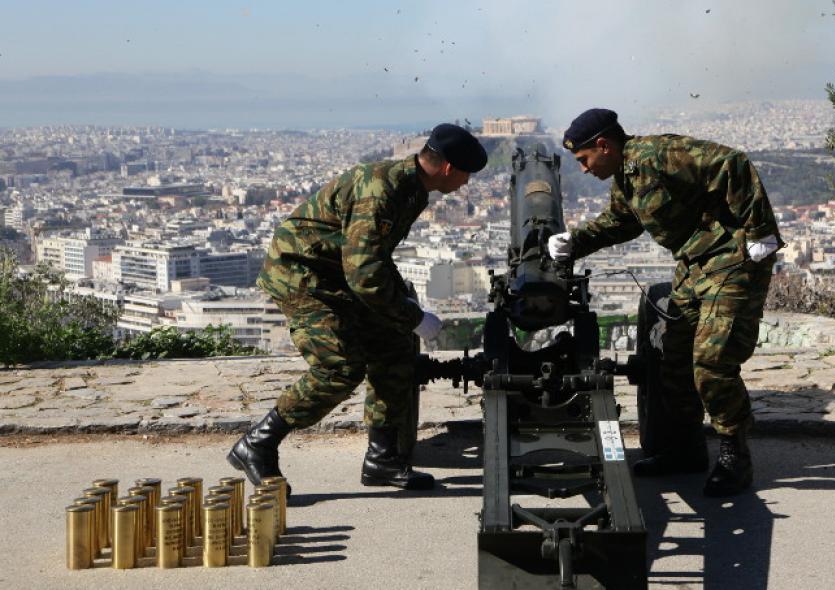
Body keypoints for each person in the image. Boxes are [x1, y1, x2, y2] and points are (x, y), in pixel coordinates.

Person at [228, 123, 487, 492]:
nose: (465, 184)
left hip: (337, 274)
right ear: (449, 168)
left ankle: (382, 459)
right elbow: (365, 274)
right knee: (339, 367)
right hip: (303, 274)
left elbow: (376, 259)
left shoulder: (411, 190)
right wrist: (413, 316)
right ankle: (258, 442)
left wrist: (404, 309)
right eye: (466, 176)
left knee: (394, 345)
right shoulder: (382, 192)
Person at [549, 108, 782, 496]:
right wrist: (575, 243)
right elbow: (621, 222)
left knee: (712, 360)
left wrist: (761, 231)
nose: (585, 169)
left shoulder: (659, 155)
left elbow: (733, 164)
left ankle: (735, 456)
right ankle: (685, 450)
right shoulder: (625, 177)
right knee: (671, 357)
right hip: (695, 263)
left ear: (603, 145)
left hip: (733, 259)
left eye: (584, 159)